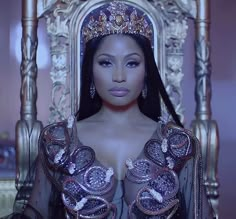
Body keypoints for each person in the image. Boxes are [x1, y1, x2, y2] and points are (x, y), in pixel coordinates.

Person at [7, 1, 213, 219]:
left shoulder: (177, 144)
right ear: (91, 71)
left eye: (131, 63)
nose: (119, 76)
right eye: (106, 63)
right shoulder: (60, 142)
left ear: (146, 73)